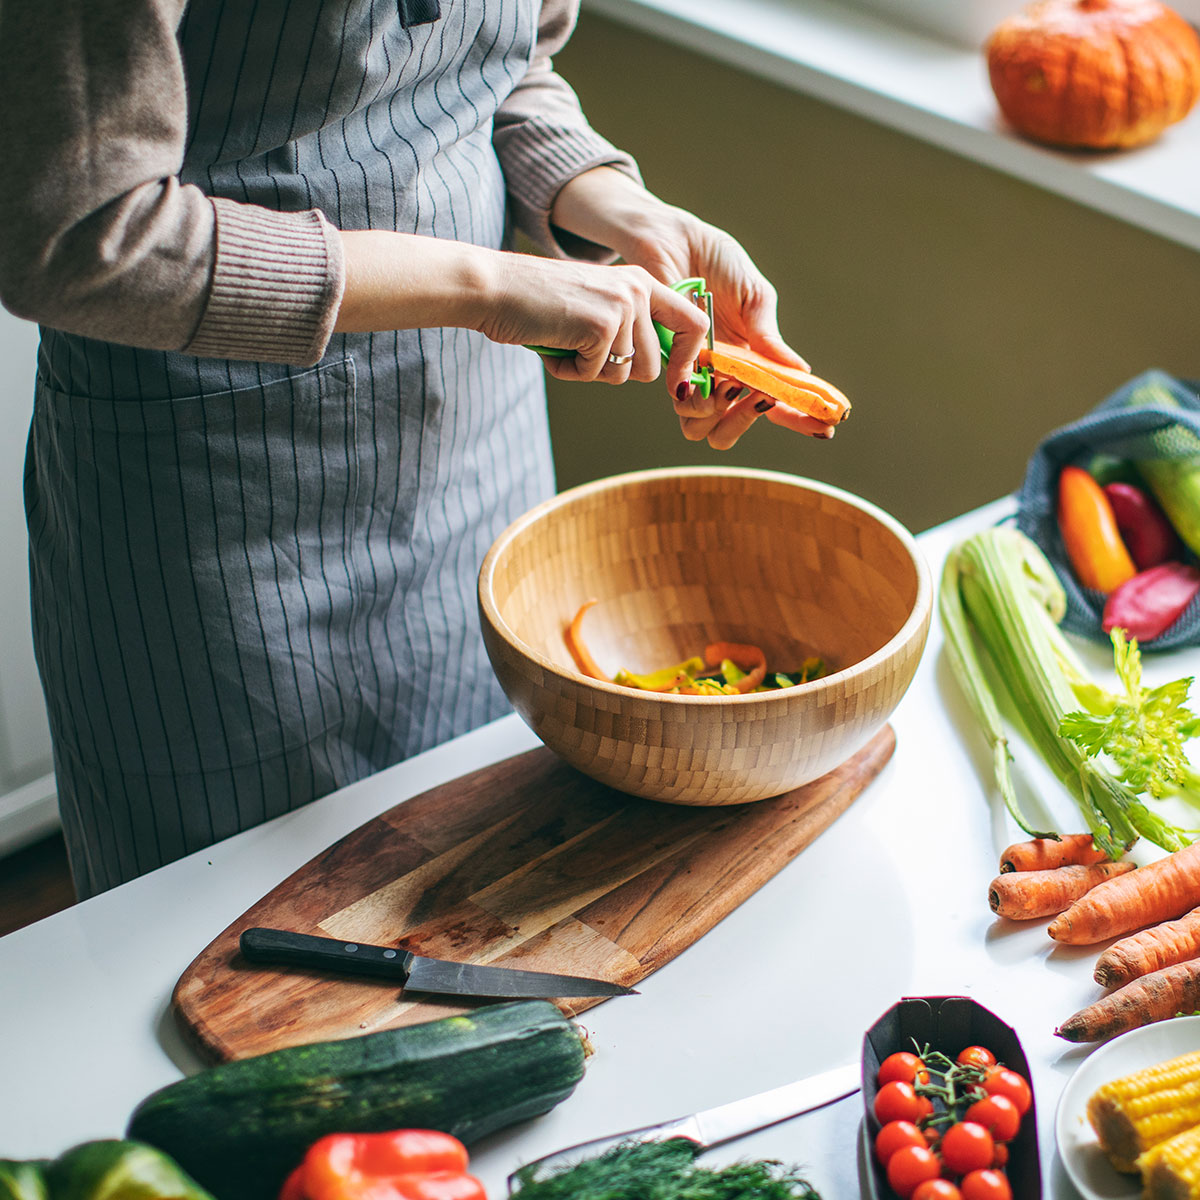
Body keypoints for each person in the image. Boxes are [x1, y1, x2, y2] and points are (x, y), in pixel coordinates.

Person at [0, 0, 829, 899]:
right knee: (229, 942)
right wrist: (488, 284)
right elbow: (77, 234)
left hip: (479, 445)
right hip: (220, 499)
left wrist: (613, 203)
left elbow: (501, 65)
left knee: (483, 886)